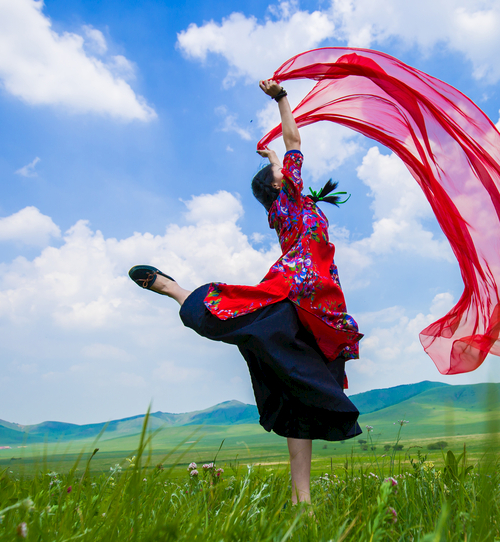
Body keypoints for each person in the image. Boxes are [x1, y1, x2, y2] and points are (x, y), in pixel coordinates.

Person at [128, 79, 362, 505]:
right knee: (243, 311)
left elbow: (280, 158)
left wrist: (270, 157)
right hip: (299, 286)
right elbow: (294, 138)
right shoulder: (289, 197)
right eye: (284, 171)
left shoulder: (282, 205)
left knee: (302, 393)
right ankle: (176, 290)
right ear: (280, 184)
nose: (291, 171)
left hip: (323, 301)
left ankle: (301, 502)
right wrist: (280, 99)